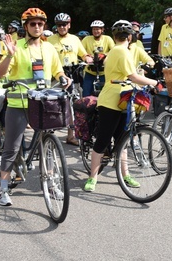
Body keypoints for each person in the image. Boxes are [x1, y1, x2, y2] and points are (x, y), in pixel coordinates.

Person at [0, 7, 68, 206]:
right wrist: (9, 56)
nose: (37, 27)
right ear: (25, 26)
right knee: (12, 147)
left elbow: (57, 70)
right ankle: (3, 188)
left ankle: (52, 183)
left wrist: (63, 78)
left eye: (40, 24)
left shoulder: (49, 48)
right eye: (33, 24)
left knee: (49, 145)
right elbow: (0, 74)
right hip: (19, 103)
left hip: (43, 102)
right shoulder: (15, 46)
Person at [84, 20, 159, 193]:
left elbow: (128, 76)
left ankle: (124, 175)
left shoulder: (115, 51)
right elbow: (133, 76)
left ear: (114, 37)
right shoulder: (121, 51)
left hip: (122, 99)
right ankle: (93, 177)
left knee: (122, 140)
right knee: (103, 139)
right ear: (130, 37)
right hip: (111, 100)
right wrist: (154, 82)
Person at [48, 12, 92, 145]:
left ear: (69, 25)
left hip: (73, 74)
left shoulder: (74, 39)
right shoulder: (50, 40)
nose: (62, 27)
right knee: (52, 104)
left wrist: (88, 59)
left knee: (74, 105)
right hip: (56, 75)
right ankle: (48, 134)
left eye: (65, 24)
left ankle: (71, 135)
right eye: (59, 25)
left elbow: (83, 54)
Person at [81, 20, 115, 96]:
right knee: (86, 93)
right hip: (90, 71)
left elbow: (114, 50)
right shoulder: (87, 39)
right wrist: (87, 57)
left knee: (106, 93)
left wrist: (104, 55)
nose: (95, 31)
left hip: (104, 71)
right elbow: (81, 51)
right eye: (94, 29)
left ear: (102, 30)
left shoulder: (107, 39)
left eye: (97, 29)